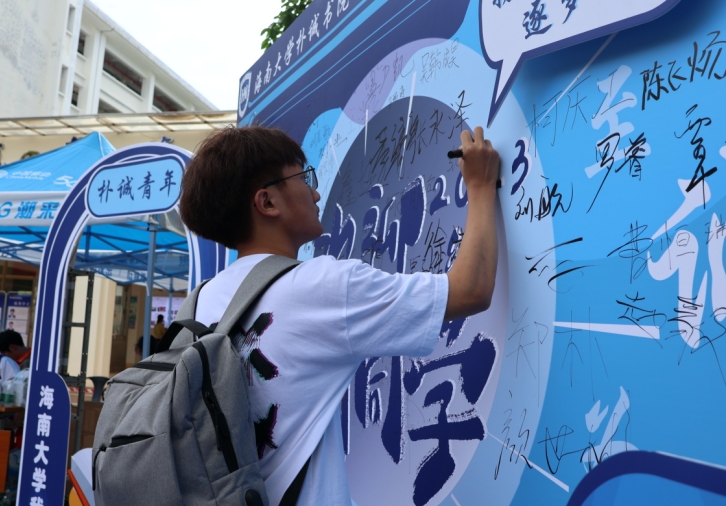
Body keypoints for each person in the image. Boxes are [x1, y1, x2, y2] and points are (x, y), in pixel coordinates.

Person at [178, 125, 500, 505]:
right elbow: (470, 290)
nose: (315, 193)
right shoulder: (320, 287)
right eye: (303, 178)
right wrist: (480, 186)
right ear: (267, 202)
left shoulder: (197, 304)